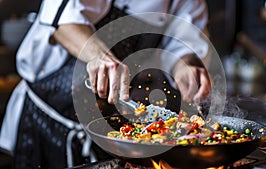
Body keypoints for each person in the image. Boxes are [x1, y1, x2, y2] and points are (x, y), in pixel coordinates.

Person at [0, 0, 211, 168]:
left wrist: (186, 66)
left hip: (111, 131)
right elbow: (63, 23)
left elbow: (185, 42)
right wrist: (99, 57)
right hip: (48, 121)